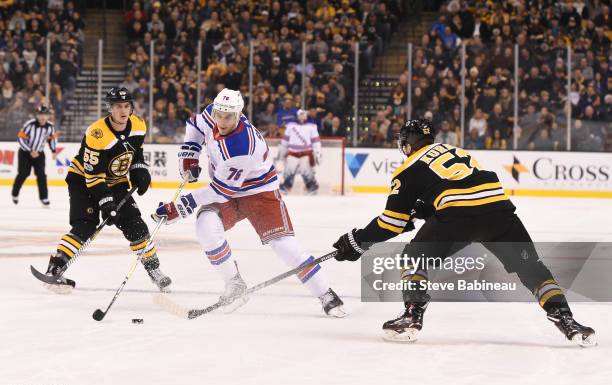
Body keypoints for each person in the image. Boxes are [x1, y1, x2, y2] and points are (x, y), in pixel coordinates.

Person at [331, 119, 596, 346]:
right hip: (499, 212)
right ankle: (567, 321)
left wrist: (356, 242)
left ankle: (411, 317)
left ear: (407, 144)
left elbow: (391, 223)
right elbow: (462, 185)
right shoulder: (456, 150)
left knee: (413, 259)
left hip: (457, 217)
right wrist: (426, 207)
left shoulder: (407, 168)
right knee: (533, 269)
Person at [152, 88, 345, 317]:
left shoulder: (241, 145)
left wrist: (182, 207)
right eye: (219, 115)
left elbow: (221, 192)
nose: (221, 121)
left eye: (228, 117)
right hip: (228, 190)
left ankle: (326, 294)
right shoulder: (214, 112)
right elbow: (194, 125)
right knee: (205, 225)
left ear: (238, 114)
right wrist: (190, 155)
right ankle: (234, 284)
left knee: (284, 246)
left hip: (258, 193)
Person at [44, 88, 172, 291]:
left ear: (131, 107)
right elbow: (93, 175)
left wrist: (140, 169)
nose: (123, 111)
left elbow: (135, 153)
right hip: (83, 180)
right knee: (85, 225)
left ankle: (154, 270)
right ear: (110, 108)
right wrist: (106, 202)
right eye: (118, 106)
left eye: (126, 106)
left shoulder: (138, 125)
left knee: (135, 224)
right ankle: (55, 268)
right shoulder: (97, 133)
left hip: (116, 181)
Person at [11, 105, 58, 207]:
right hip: (25, 153)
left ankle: (44, 198)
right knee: (23, 173)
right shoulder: (29, 124)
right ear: (37, 115)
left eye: (45, 115)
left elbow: (52, 139)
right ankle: (15, 193)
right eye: (41, 114)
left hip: (39, 154)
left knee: (41, 175)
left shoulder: (50, 126)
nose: (43, 117)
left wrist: (54, 151)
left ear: (48, 116)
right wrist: (30, 150)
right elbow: (20, 138)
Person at [278, 109, 322, 195]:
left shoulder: (312, 126)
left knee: (306, 170)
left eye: (303, 115)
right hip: (292, 152)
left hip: (306, 153)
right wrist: (282, 154)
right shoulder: (290, 126)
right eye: (300, 115)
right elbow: (285, 142)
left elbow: (316, 142)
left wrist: (318, 153)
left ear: (306, 116)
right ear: (297, 116)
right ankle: (286, 185)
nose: (302, 117)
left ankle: (311, 186)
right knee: (289, 169)